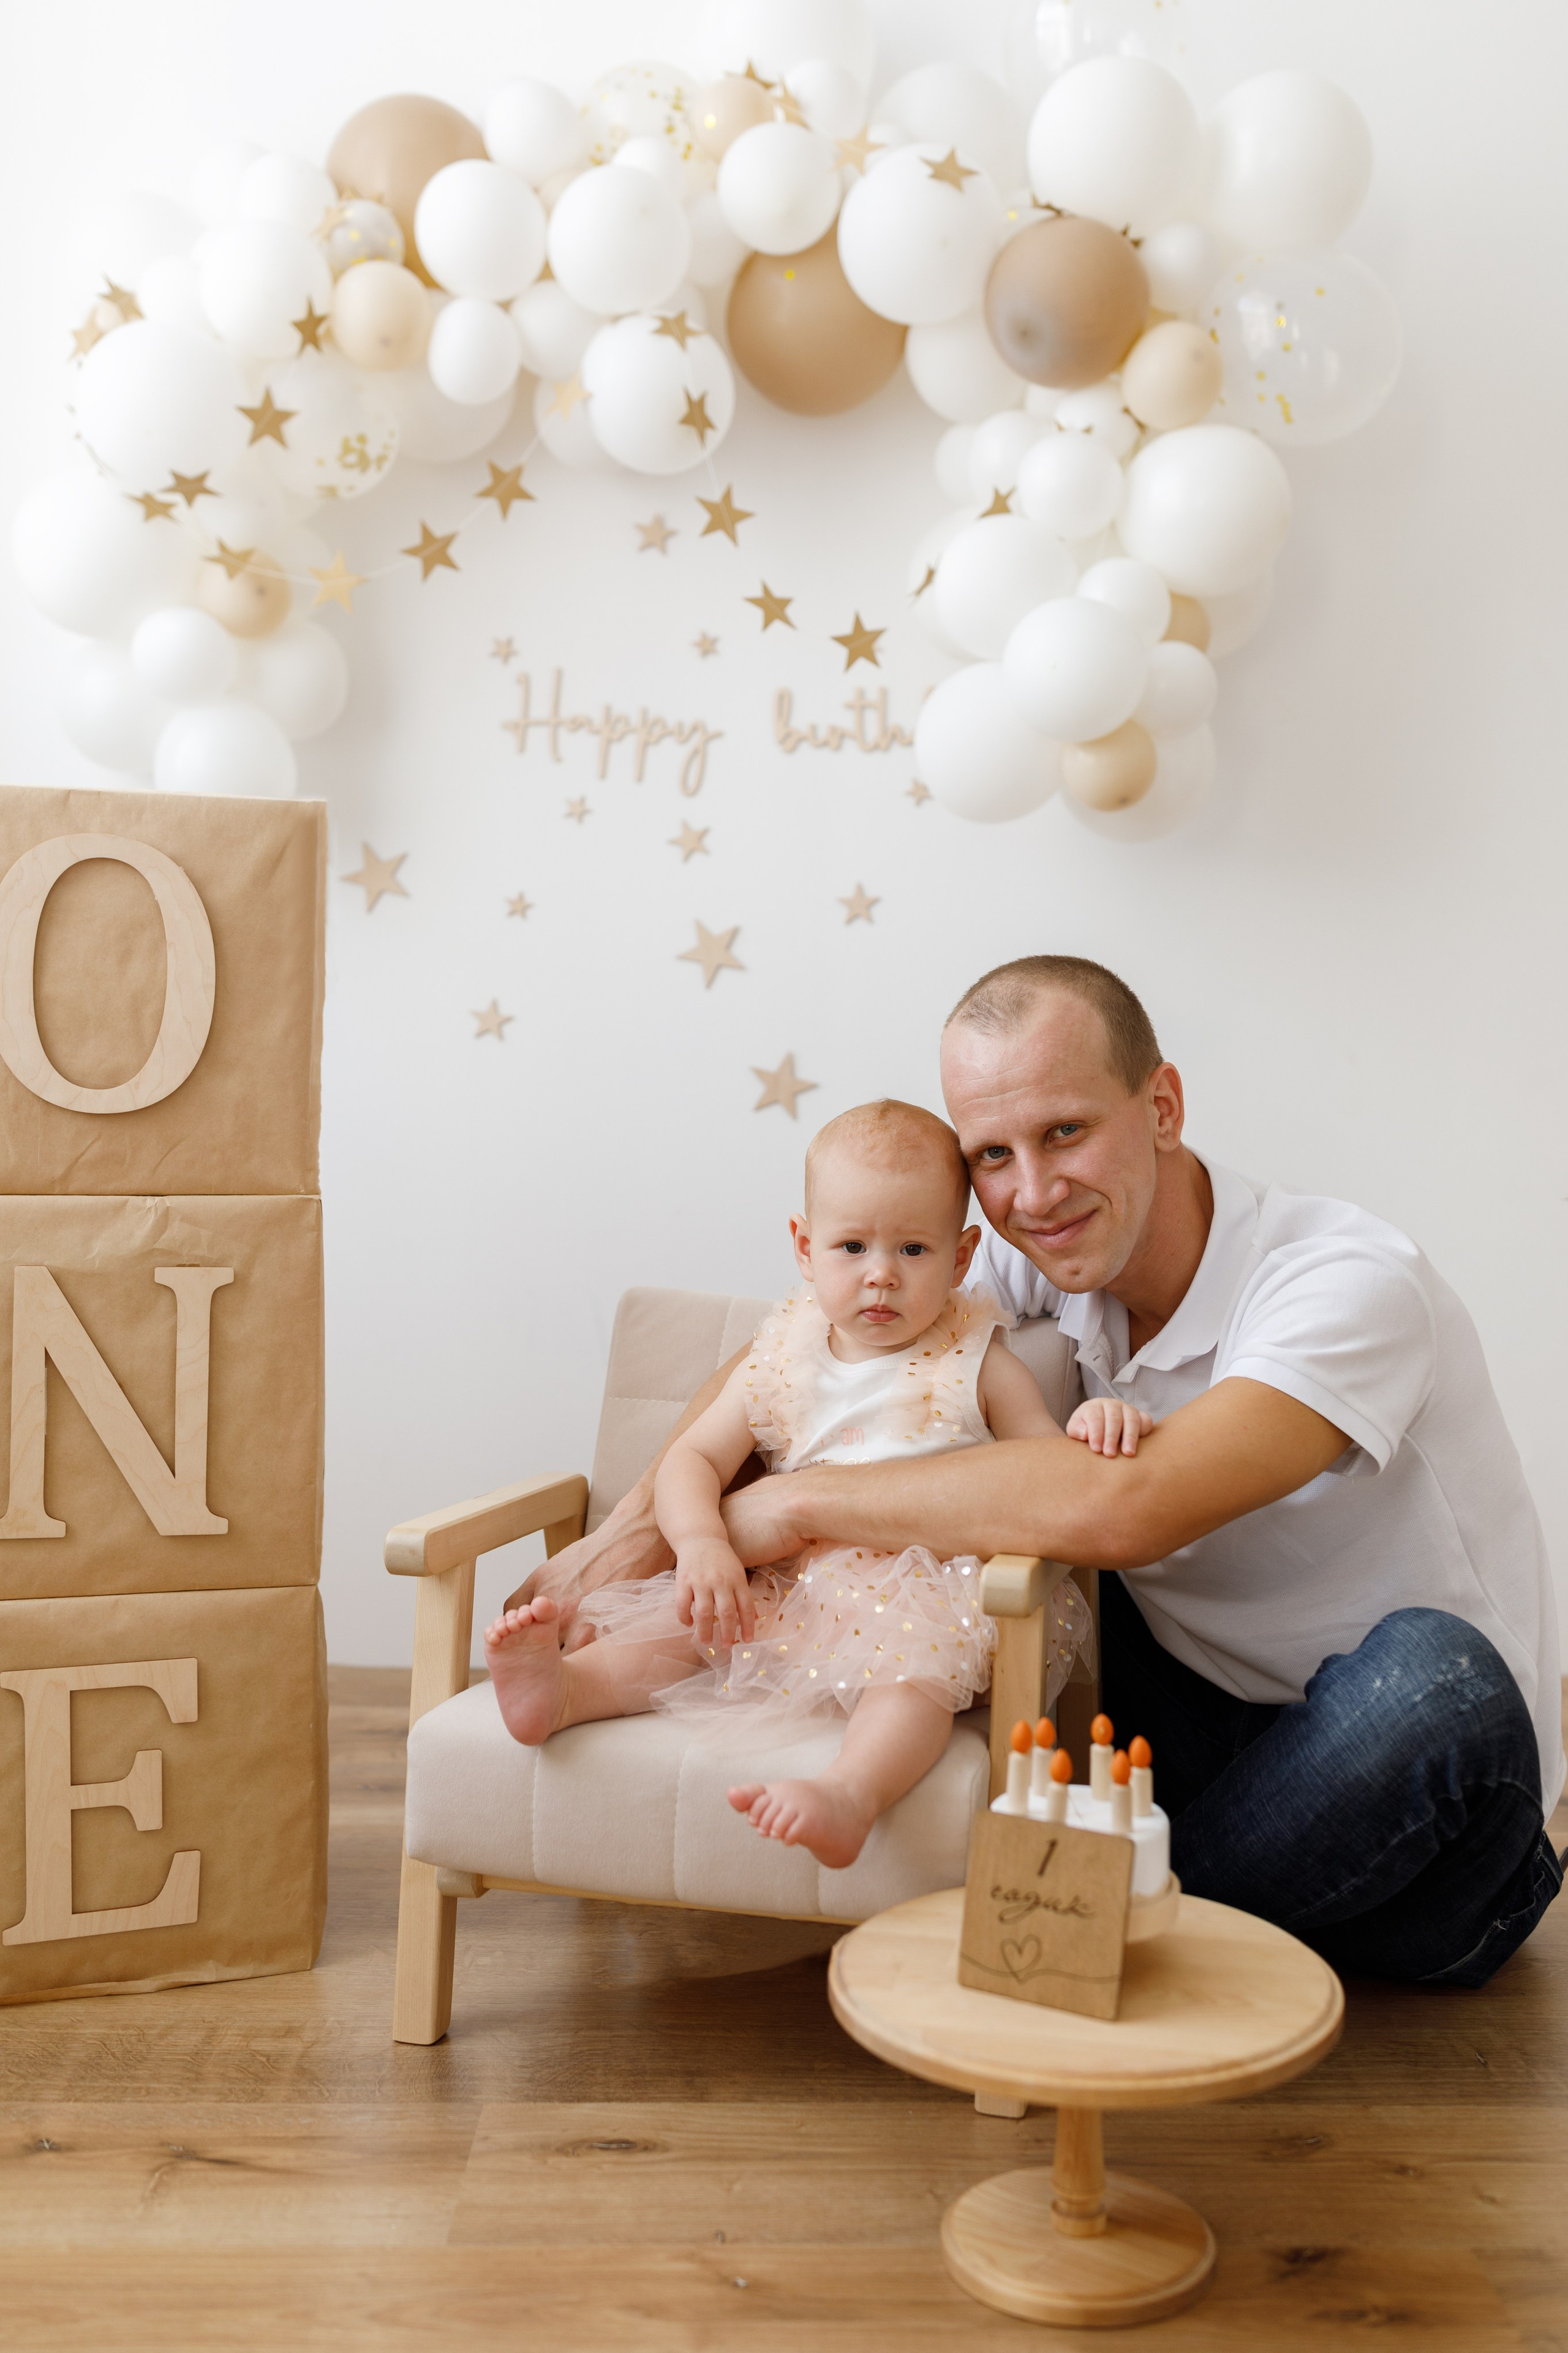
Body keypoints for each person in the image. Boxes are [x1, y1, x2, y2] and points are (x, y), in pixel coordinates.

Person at [511, 954, 1563, 1987]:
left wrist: (791, 1507)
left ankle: (1058, 1913)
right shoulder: (1025, 1254)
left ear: (1162, 1105)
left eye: (1065, 1132)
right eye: (992, 1155)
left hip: (1416, 1807)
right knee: (1052, 1622)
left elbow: (1129, 1506)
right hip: (1189, 1732)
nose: (1033, 1190)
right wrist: (627, 1544)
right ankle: (1128, 1903)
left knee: (1438, 1676)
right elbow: (782, 1353)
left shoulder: (1344, 1284)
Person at [483, 1100, 1096, 1867]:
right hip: (783, 1580)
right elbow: (693, 1460)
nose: (881, 1274)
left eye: (913, 1248)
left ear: (962, 1255)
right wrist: (702, 1543)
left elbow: (1045, 1476)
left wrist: (1094, 1427)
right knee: (688, 1628)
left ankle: (849, 1791)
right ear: (806, 1248)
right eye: (851, 1246)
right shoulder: (781, 1355)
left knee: (912, 1681)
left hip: (920, 1592)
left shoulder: (980, 1362)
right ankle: (566, 1691)